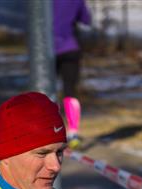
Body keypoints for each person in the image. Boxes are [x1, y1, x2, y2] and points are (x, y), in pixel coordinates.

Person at [53, 0, 91, 148]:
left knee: (46, 92)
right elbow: (86, 20)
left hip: (47, 50)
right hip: (70, 47)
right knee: (70, 91)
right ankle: (73, 132)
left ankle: (50, 132)